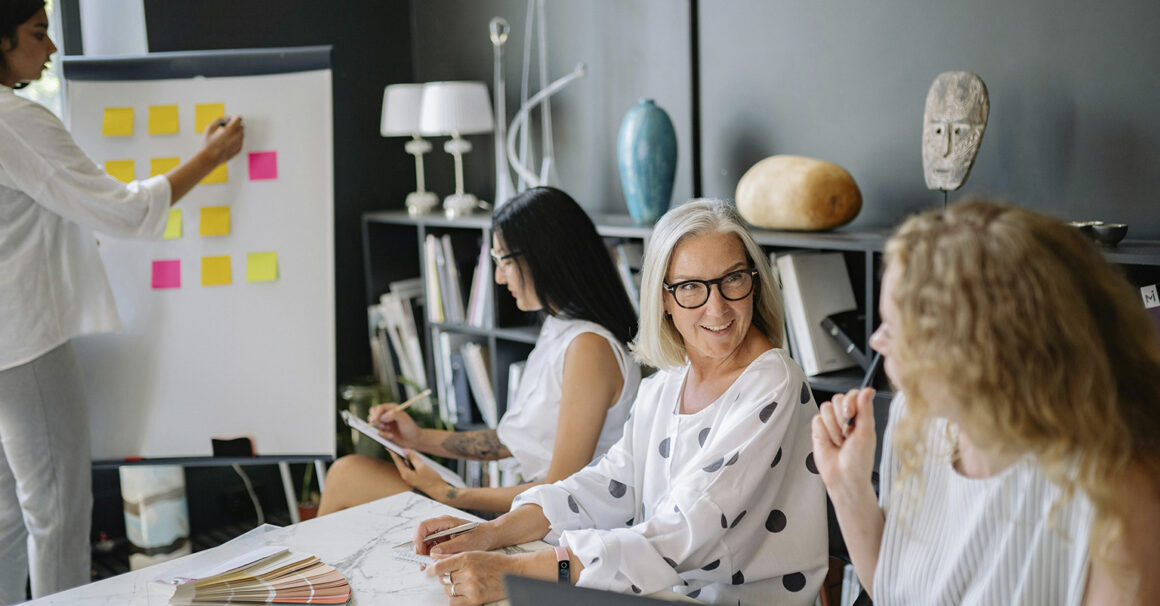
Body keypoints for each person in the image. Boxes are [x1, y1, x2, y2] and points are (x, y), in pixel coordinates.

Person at [411, 199, 827, 606]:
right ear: (663, 298)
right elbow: (607, 485)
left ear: (754, 279)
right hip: (661, 590)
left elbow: (686, 530)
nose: (716, 306)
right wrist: (490, 532)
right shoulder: (667, 382)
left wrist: (515, 572)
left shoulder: (773, 382)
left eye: (733, 279)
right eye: (690, 287)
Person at [0, 1, 244, 601]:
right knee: (57, 513)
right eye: (38, 33)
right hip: (23, 340)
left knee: (9, 517)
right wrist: (209, 158)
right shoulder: (15, 120)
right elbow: (129, 210)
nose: (53, 49)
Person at [813, 200, 1160, 604]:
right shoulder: (917, 420)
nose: (875, 341)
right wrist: (847, 487)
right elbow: (895, 593)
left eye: (894, 326)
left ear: (975, 352)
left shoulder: (1120, 495)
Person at [318, 187, 641, 516]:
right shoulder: (560, 327)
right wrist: (415, 437)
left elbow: (559, 490)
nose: (500, 277)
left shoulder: (590, 348)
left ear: (543, 257)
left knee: (347, 476)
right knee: (348, 474)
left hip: (547, 526)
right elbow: (507, 442)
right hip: (528, 509)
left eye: (503, 261)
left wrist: (452, 495)